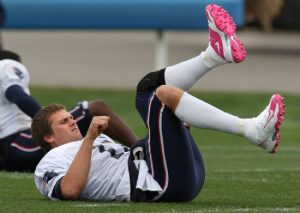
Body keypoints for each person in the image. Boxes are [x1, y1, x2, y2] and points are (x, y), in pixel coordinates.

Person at [32, 4, 285, 202]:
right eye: (64, 122)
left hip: (173, 174)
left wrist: (165, 135)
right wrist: (88, 139)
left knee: (146, 89)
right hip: (161, 184)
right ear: (48, 138)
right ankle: (252, 130)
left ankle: (214, 55)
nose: (73, 122)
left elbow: (129, 157)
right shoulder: (49, 164)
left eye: (70, 117)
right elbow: (70, 190)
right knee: (163, 97)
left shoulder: (96, 144)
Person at [0, 50, 138, 172]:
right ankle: (142, 152)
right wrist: (44, 120)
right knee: (96, 108)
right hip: (20, 143)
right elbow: (16, 93)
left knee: (76, 132)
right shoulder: (7, 64)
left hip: (13, 152)